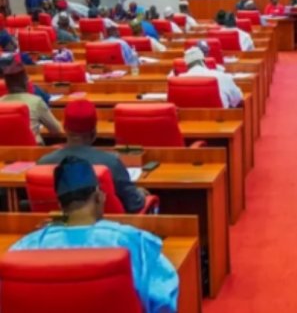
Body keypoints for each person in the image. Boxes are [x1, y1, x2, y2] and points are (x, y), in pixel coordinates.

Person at [10, 156, 178, 313]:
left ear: (60, 204)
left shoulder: (27, 247)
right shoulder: (131, 241)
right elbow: (164, 300)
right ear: (99, 197)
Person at [38, 99, 147, 212]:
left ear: (65, 129)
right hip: (106, 228)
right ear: (94, 133)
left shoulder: (42, 164)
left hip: (55, 228)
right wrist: (140, 194)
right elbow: (134, 204)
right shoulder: (111, 163)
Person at [0, 62, 62, 143]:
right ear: (26, 82)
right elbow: (56, 130)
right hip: (34, 152)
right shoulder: (36, 101)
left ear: (6, 84)